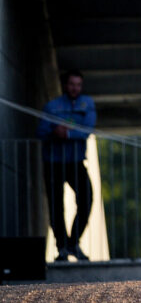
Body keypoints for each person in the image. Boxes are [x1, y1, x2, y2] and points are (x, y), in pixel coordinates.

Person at [36, 70, 96, 262]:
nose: (75, 88)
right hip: (53, 162)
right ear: (65, 85)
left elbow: (86, 130)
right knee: (56, 206)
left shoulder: (87, 104)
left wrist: (67, 133)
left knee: (86, 199)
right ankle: (61, 247)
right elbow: (42, 131)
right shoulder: (52, 106)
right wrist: (57, 132)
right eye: (72, 84)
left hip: (75, 161)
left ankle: (72, 243)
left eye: (78, 84)